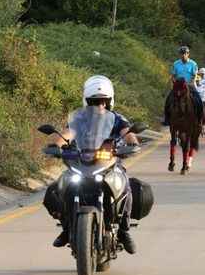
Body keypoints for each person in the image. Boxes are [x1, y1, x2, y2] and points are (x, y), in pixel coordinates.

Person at [43, 75, 138, 253]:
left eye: (103, 101)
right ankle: (67, 227)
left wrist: (132, 143)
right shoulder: (79, 119)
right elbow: (67, 134)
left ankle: (124, 231)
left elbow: (128, 133)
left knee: (126, 187)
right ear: (87, 102)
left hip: (108, 162)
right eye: (95, 102)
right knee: (57, 189)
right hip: (82, 162)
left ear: (110, 102)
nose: (100, 105)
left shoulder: (117, 119)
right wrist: (55, 145)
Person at [163, 46, 204, 127]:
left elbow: (195, 75)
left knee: (198, 99)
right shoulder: (176, 64)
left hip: (190, 84)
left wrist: (191, 83)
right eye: (181, 53)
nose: (183, 55)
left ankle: (200, 119)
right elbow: (173, 75)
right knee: (168, 99)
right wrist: (174, 81)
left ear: (188, 54)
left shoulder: (193, 63)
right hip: (178, 86)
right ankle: (167, 119)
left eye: (185, 53)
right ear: (179, 54)